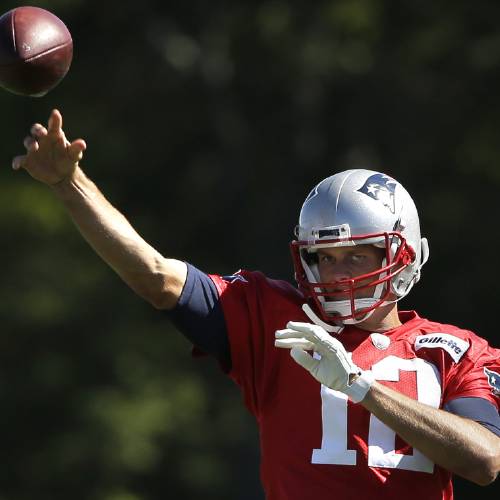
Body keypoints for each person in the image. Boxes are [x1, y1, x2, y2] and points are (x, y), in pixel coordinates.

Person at [12, 109, 500, 500]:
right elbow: (156, 276)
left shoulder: (454, 350)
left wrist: (358, 384)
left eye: (356, 255)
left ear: (403, 253)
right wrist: (68, 186)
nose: (336, 273)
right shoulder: (273, 315)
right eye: (323, 257)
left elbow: (485, 460)